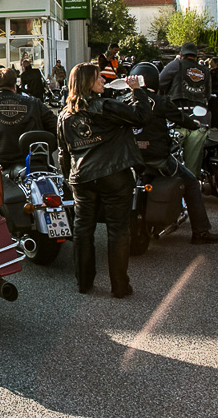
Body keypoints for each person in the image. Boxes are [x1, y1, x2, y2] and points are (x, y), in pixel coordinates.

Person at [57, 65, 151, 298]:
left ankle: (84, 282)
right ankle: (120, 286)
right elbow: (142, 117)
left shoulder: (65, 115)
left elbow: (63, 152)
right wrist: (137, 90)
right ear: (87, 82)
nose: (102, 80)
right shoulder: (105, 106)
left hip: (81, 177)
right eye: (98, 77)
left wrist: (69, 179)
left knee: (82, 228)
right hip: (114, 174)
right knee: (117, 230)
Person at [128, 62, 218, 244]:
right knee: (191, 182)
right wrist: (194, 124)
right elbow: (181, 119)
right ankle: (200, 232)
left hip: (130, 158)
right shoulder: (160, 101)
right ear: (154, 80)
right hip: (157, 159)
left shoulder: (124, 101)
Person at [158, 43, 211, 176]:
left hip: (177, 120)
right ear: (196, 55)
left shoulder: (175, 65)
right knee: (192, 166)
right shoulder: (205, 70)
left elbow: (158, 84)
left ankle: (172, 185)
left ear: (181, 54)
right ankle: (192, 186)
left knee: (171, 162)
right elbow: (208, 95)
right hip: (199, 121)